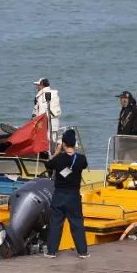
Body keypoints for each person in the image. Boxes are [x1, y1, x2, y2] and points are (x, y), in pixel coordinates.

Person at [43, 129, 88, 258]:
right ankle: (83, 252)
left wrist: (57, 152)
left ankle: (52, 251)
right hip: (74, 195)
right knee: (77, 223)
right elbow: (84, 165)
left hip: (59, 195)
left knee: (56, 223)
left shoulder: (58, 159)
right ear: (75, 144)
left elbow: (48, 164)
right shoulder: (81, 159)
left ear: (63, 144)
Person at [32, 78, 62, 143]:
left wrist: (35, 123)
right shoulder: (54, 94)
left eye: (38, 85)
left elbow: (42, 112)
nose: (37, 87)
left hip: (46, 124)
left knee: (47, 142)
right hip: (55, 123)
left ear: (42, 85)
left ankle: (48, 152)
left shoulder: (42, 96)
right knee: (53, 141)